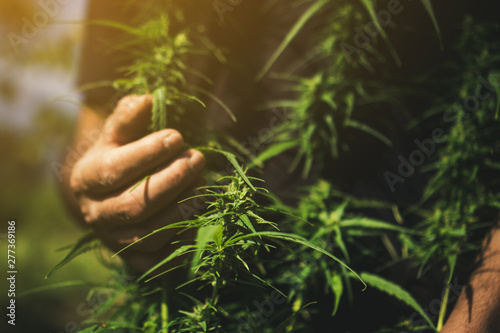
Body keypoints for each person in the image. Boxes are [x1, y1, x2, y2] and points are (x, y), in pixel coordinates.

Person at [60, 0, 500, 331]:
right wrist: (92, 187)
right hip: (186, 306)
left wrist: (474, 318)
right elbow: (89, 134)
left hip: (418, 304)